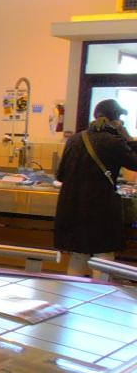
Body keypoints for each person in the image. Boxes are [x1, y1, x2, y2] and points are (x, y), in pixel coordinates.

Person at [54, 98, 137, 277]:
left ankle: (71, 302)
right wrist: (128, 137)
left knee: (78, 255)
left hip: (73, 207)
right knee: (103, 255)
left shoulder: (75, 139)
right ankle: (100, 299)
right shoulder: (114, 141)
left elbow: (60, 175)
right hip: (101, 207)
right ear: (116, 120)